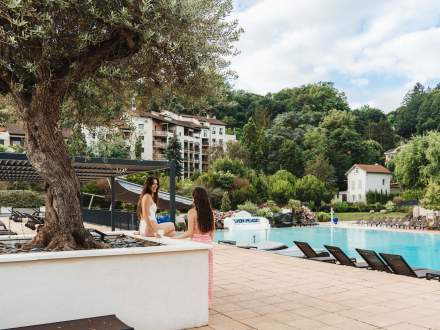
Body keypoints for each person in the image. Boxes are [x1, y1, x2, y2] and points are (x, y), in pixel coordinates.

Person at [174, 186, 214, 307]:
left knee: (195, 274)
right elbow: (212, 233)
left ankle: (196, 300)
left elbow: (190, 232)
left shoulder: (192, 212)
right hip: (208, 245)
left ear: (194, 198)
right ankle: (207, 302)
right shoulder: (210, 212)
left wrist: (175, 238)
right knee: (208, 274)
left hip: (196, 245)